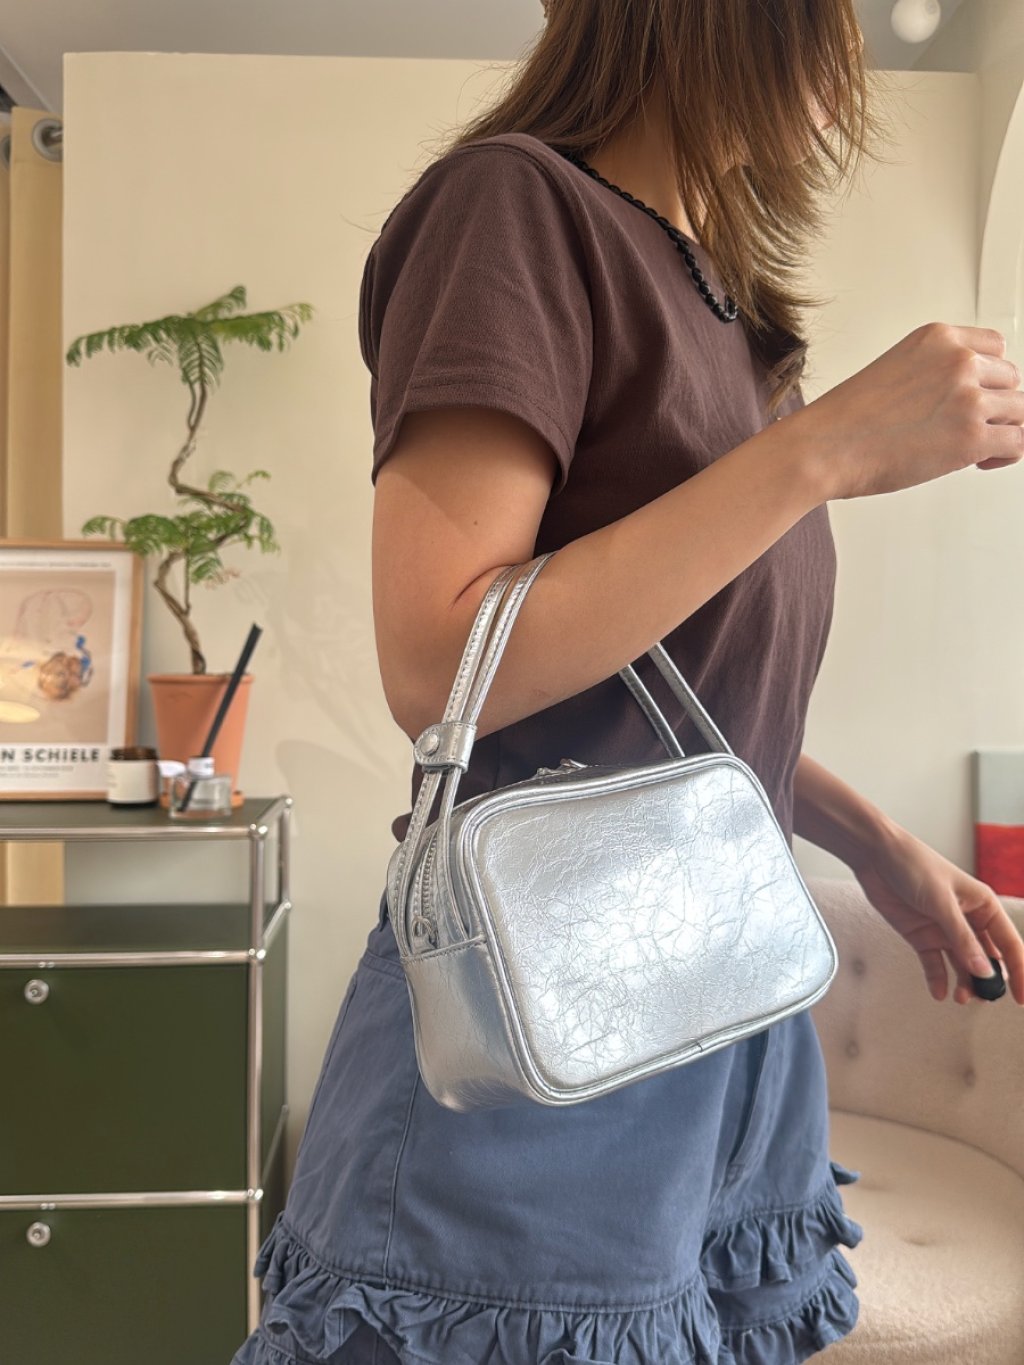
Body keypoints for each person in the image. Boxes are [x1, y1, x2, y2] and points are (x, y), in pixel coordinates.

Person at [231, 2, 1024, 1362]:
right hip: (542, 1023)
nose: (850, 64)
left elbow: (678, 701)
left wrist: (876, 844)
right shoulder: (515, 209)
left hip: (726, 996)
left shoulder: (727, 309)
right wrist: (822, 451)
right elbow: (439, 658)